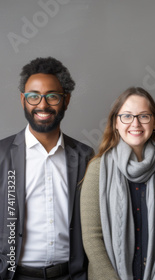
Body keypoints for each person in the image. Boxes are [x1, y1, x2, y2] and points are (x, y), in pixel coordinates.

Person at [0, 57, 94, 280]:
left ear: (66, 100)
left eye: (52, 96)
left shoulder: (85, 157)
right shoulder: (2, 155)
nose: (42, 105)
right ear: (23, 100)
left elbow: (95, 225)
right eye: (34, 96)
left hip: (71, 276)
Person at [80, 87, 155, 279]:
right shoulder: (97, 169)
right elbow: (91, 237)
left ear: (154, 123)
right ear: (115, 123)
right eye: (127, 116)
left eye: (144, 116)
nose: (135, 123)